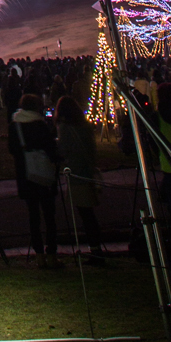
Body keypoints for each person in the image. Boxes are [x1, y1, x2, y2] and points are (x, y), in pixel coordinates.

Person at [10, 93, 61, 267]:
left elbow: (12, 149)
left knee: (33, 217)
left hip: (25, 174)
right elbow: (51, 148)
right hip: (43, 173)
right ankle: (52, 253)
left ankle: (39, 254)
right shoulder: (40, 125)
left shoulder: (15, 125)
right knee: (49, 216)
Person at [55, 96, 104, 265]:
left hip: (76, 173)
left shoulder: (65, 128)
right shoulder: (85, 126)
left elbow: (63, 150)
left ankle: (95, 251)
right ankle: (96, 248)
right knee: (88, 214)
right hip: (87, 171)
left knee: (85, 214)